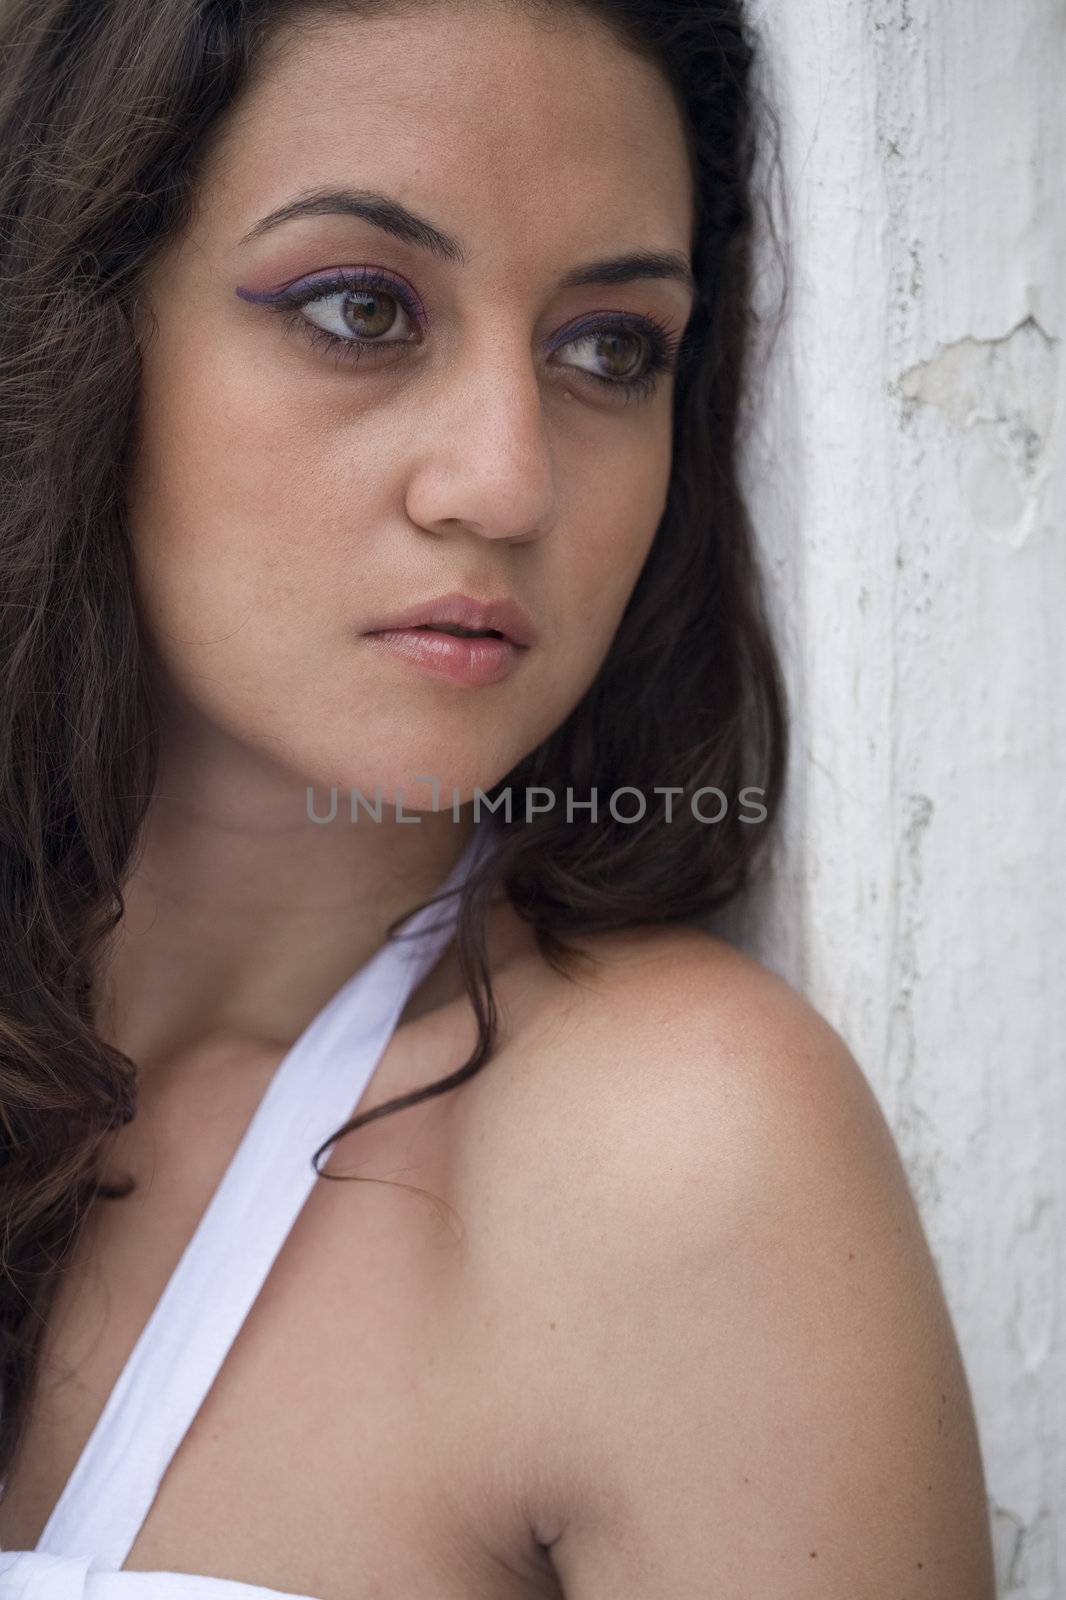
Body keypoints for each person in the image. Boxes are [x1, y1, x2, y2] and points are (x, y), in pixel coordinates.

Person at [0, 0, 996, 1595]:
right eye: (359, 307)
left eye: (609, 347)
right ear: (80, 314)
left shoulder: (676, 1159)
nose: (507, 479)